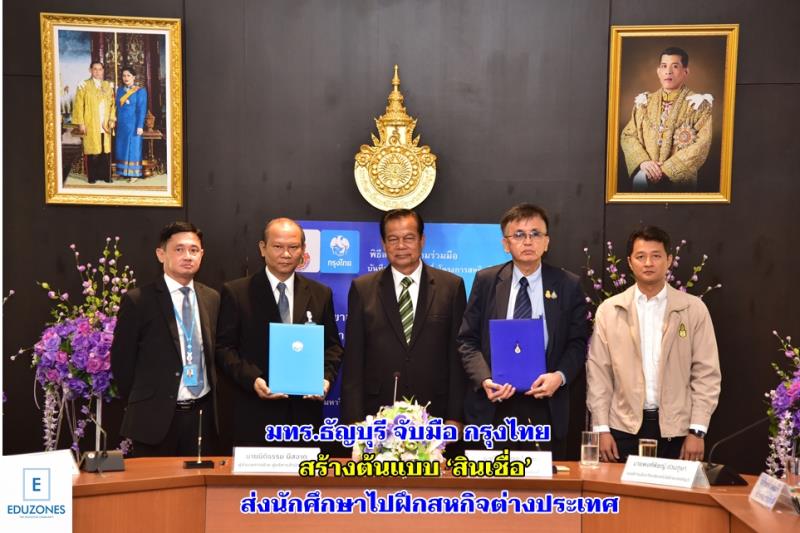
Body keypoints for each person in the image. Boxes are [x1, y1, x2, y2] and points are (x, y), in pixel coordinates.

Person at [458, 204, 589, 457]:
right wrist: (485, 379)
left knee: (542, 481)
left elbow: (578, 342)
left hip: (546, 406)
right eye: (519, 235)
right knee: (492, 480)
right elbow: (467, 340)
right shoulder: (486, 281)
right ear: (506, 244)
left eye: (535, 234)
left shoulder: (568, 284)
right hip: (494, 406)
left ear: (546, 242)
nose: (528, 241)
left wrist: (559, 377)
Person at [586, 226, 721, 462]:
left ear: (669, 260)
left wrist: (697, 430)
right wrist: (601, 428)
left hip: (677, 431)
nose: (648, 263)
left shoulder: (693, 309)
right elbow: (599, 374)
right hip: (622, 429)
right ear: (630, 262)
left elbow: (706, 373)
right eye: (641, 256)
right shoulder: (610, 310)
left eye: (656, 256)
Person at [216, 218, 343, 446]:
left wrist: (325, 378)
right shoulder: (237, 292)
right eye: (277, 246)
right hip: (255, 414)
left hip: (305, 416)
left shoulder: (320, 293)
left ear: (303, 250)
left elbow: (333, 346)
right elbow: (224, 349)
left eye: (293, 247)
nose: (286, 254)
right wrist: (252, 379)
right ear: (263, 248)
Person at [340, 209, 467, 428]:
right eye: (393, 239)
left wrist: (455, 417)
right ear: (383, 244)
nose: (401, 246)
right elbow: (353, 361)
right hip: (377, 415)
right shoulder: (363, 289)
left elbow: (457, 359)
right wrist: (354, 420)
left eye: (409, 238)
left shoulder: (451, 287)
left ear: (422, 240)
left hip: (436, 412)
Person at [111, 222, 220, 456]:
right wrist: (144, 402)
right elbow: (122, 362)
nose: (187, 256)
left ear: (202, 254)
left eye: (194, 250)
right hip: (154, 419)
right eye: (179, 249)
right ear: (161, 254)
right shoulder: (138, 300)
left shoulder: (212, 298)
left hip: (202, 416)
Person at [620, 47, 713, 192]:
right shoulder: (644, 102)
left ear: (685, 72)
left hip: (680, 183)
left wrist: (666, 170)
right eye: (664, 66)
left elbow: (702, 145)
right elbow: (628, 135)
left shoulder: (698, 105)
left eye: (675, 66)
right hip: (645, 176)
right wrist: (643, 162)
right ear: (658, 71)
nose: (668, 71)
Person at [72, 61, 116, 184]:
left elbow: (113, 105)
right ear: (90, 70)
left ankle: (106, 176)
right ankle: (92, 176)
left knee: (105, 150)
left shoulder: (107, 86)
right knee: (92, 150)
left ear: (103, 70)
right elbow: (78, 105)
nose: (97, 72)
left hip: (105, 123)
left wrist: (112, 119)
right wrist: (81, 123)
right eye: (95, 69)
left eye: (100, 69)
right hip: (91, 122)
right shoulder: (83, 85)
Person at [114, 66, 148, 182]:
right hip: (121, 124)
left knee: (133, 148)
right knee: (121, 147)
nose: (126, 78)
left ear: (134, 77)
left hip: (133, 125)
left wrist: (140, 126)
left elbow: (141, 110)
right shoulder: (120, 90)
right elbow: (116, 107)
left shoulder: (140, 91)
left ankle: (134, 174)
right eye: (124, 75)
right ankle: (123, 171)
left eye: (128, 75)